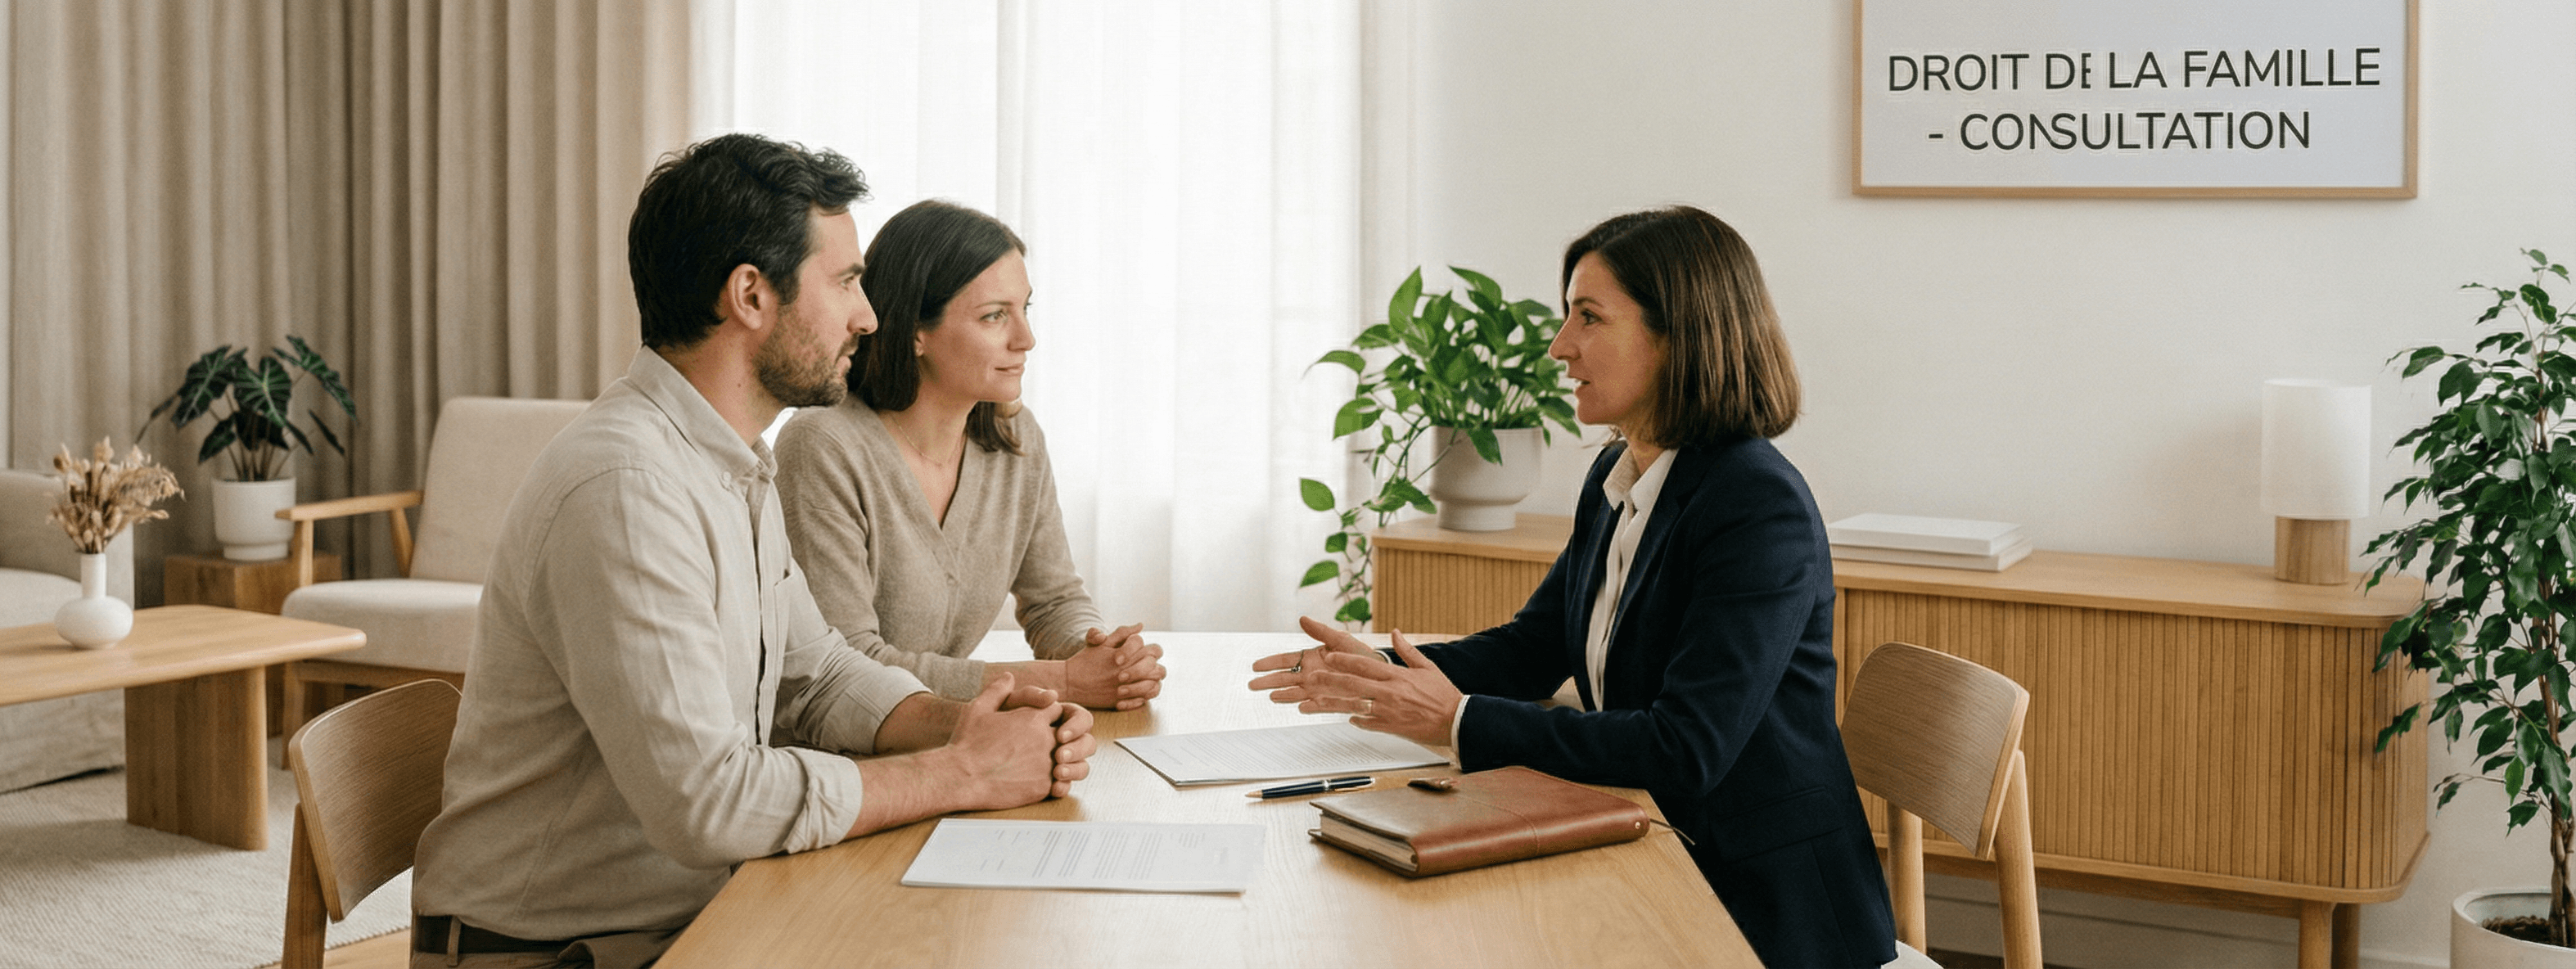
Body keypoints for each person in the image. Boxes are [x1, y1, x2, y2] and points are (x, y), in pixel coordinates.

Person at [408, 134, 1097, 969]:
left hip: (693, 914)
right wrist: (961, 772)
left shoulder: (731, 463)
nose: (868, 315)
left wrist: (975, 727)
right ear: (749, 296)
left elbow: (821, 674)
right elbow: (706, 801)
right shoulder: (628, 486)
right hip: (560, 950)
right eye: (844, 281)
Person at [1247, 206, 1897, 967]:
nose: (1561, 347)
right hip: (1658, 846)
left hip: (1760, 908)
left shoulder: (1757, 505)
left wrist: (1454, 719)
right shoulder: (1619, 474)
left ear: (1679, 334)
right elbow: (1537, 645)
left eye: (1588, 318)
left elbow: (1682, 750)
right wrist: (1378, 676)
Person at [776, 199, 1166, 710]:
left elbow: (1055, 601)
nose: (1026, 339)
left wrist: (1100, 655)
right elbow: (849, 662)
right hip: (838, 760)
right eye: (994, 317)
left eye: (1024, 310)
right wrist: (1064, 683)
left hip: (954, 741)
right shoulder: (823, 447)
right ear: (915, 330)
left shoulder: (1015, 438)